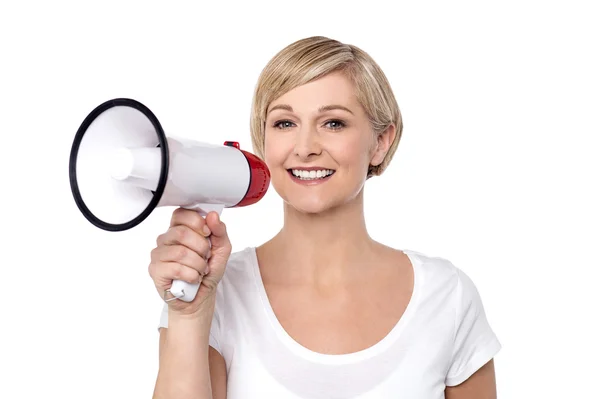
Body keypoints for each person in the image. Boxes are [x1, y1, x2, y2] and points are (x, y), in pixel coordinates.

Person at [150, 36, 501, 399]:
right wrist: (190, 316)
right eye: (285, 123)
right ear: (263, 140)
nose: (305, 147)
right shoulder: (215, 294)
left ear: (381, 141)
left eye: (333, 123)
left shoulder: (447, 298)